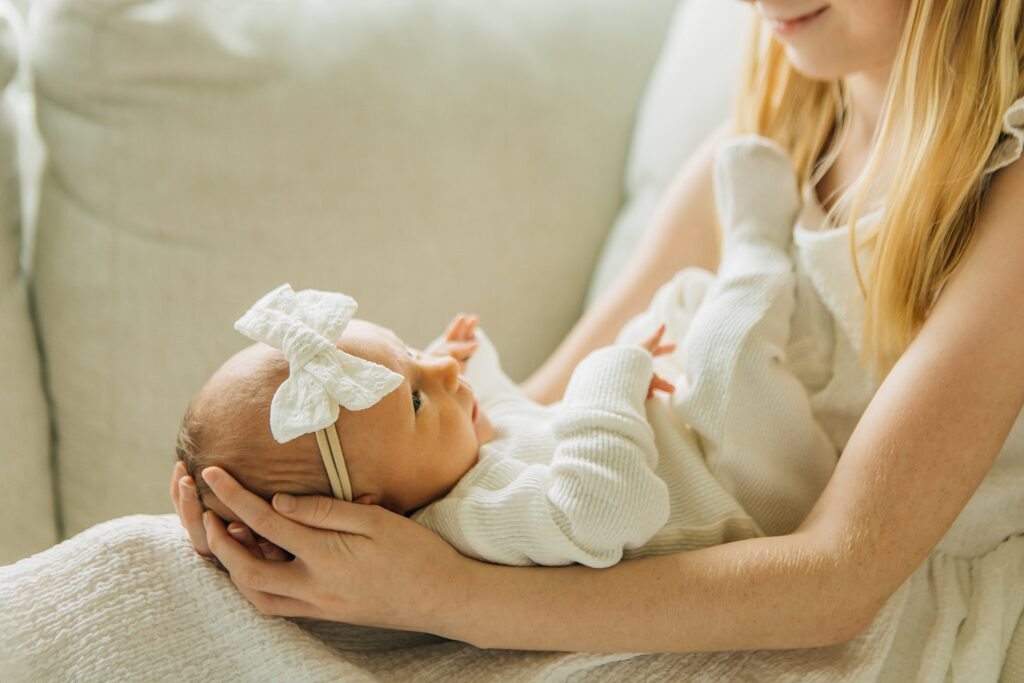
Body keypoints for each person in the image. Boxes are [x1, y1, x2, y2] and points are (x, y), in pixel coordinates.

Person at [172, 0, 1024, 677]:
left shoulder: (1007, 196)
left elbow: (841, 578)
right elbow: (534, 411)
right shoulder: (766, 137)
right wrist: (285, 520)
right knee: (167, 578)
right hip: (673, 561)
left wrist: (444, 594)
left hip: (854, 607)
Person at [179, 136, 836, 568]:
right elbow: (610, 507)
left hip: (709, 449)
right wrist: (607, 373)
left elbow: (509, 420)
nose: (441, 369)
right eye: (414, 397)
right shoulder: (475, 520)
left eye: (412, 352)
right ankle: (757, 242)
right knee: (729, 349)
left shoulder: (449, 464)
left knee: (682, 306)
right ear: (374, 508)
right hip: (758, 498)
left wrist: (462, 371)